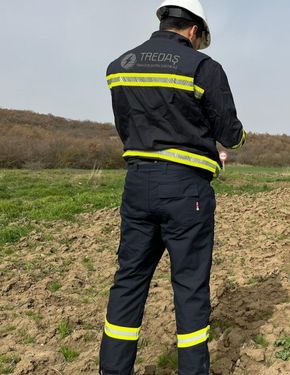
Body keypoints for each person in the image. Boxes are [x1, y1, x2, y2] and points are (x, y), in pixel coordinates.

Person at [99, 0, 246, 373]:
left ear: (163, 20)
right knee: (190, 285)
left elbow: (125, 126)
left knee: (129, 280)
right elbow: (230, 133)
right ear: (194, 31)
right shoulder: (203, 67)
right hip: (186, 191)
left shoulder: (120, 67)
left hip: (137, 184)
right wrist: (241, 137)